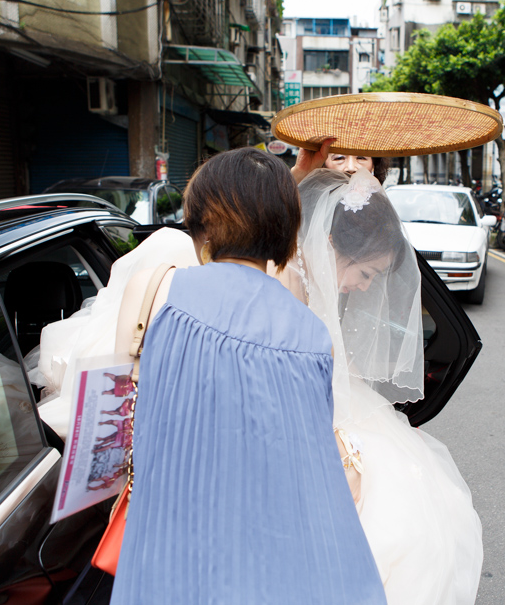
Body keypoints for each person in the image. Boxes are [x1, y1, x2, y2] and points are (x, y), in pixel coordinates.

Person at [110, 148, 386, 605]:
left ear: (198, 220)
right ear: (288, 235)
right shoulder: (312, 336)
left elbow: (117, 412)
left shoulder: (156, 288)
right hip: (260, 566)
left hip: (164, 547)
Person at [282, 168, 483, 605]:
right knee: (402, 531)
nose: (365, 287)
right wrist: (345, 453)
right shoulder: (289, 286)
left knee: (435, 508)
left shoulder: (312, 274)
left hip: (337, 402)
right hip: (315, 416)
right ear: (332, 244)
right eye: (368, 273)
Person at [292, 136, 388, 184]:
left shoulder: (381, 208)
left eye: (361, 158)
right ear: (324, 165)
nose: (350, 168)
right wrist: (300, 173)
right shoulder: (309, 205)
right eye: (339, 158)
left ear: (374, 165)